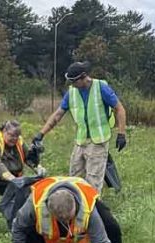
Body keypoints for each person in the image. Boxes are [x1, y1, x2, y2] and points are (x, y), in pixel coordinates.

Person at [32, 61, 127, 193]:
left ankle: (92, 209)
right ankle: (74, 206)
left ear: (84, 77)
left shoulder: (101, 88)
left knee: (93, 180)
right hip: (80, 141)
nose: (72, 85)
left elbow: (119, 109)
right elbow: (58, 115)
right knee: (74, 177)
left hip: (98, 141)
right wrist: (41, 134)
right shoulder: (72, 92)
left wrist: (121, 134)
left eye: (74, 82)